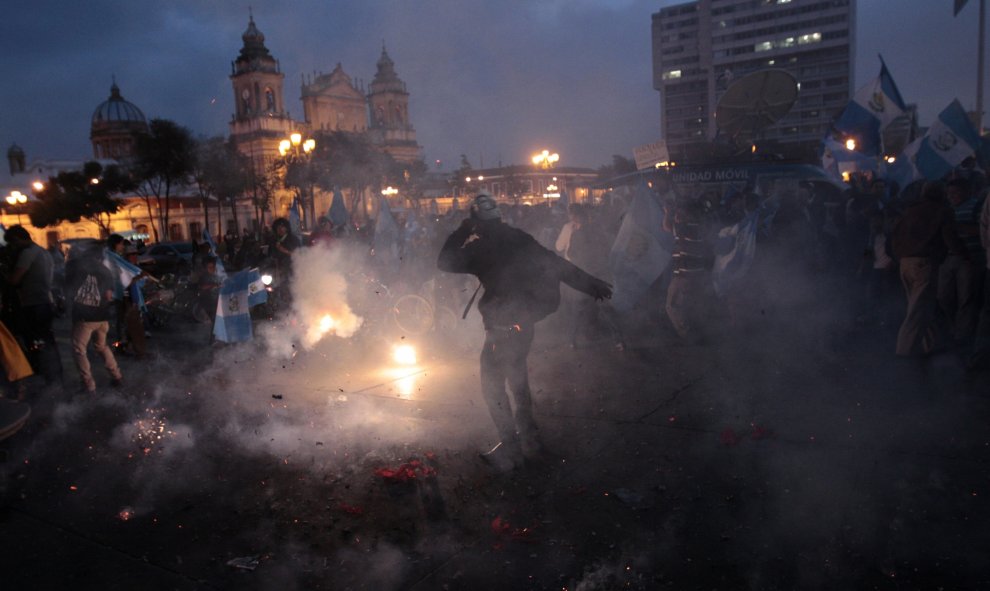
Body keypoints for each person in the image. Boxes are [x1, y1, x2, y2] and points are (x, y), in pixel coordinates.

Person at [437, 192, 612, 471]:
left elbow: (444, 261)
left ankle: (511, 448)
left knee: (492, 386)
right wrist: (591, 284)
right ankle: (530, 440)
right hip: (524, 326)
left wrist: (463, 229)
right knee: (517, 381)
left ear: (477, 223)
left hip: (501, 328)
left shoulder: (482, 247)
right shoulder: (519, 238)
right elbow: (555, 264)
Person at [890, 182, 968, 357]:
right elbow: (950, 238)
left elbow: (894, 235)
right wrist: (963, 254)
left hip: (905, 262)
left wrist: (899, 257)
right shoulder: (941, 211)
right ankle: (904, 353)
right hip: (924, 263)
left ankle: (928, 346)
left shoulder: (909, 211)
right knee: (918, 309)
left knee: (922, 306)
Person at [4, 225, 63, 388]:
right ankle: (56, 376)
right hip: (46, 301)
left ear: (17, 239)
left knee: (37, 342)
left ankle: (46, 377)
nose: (13, 247)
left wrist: (6, 276)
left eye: (13, 243)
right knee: (48, 342)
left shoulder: (27, 253)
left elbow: (15, 279)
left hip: (33, 303)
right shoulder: (44, 252)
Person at [64, 240, 123, 393]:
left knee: (79, 350)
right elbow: (109, 296)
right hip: (102, 317)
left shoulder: (76, 268)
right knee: (102, 347)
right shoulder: (105, 270)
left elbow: (67, 290)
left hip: (84, 317)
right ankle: (116, 376)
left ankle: (88, 384)